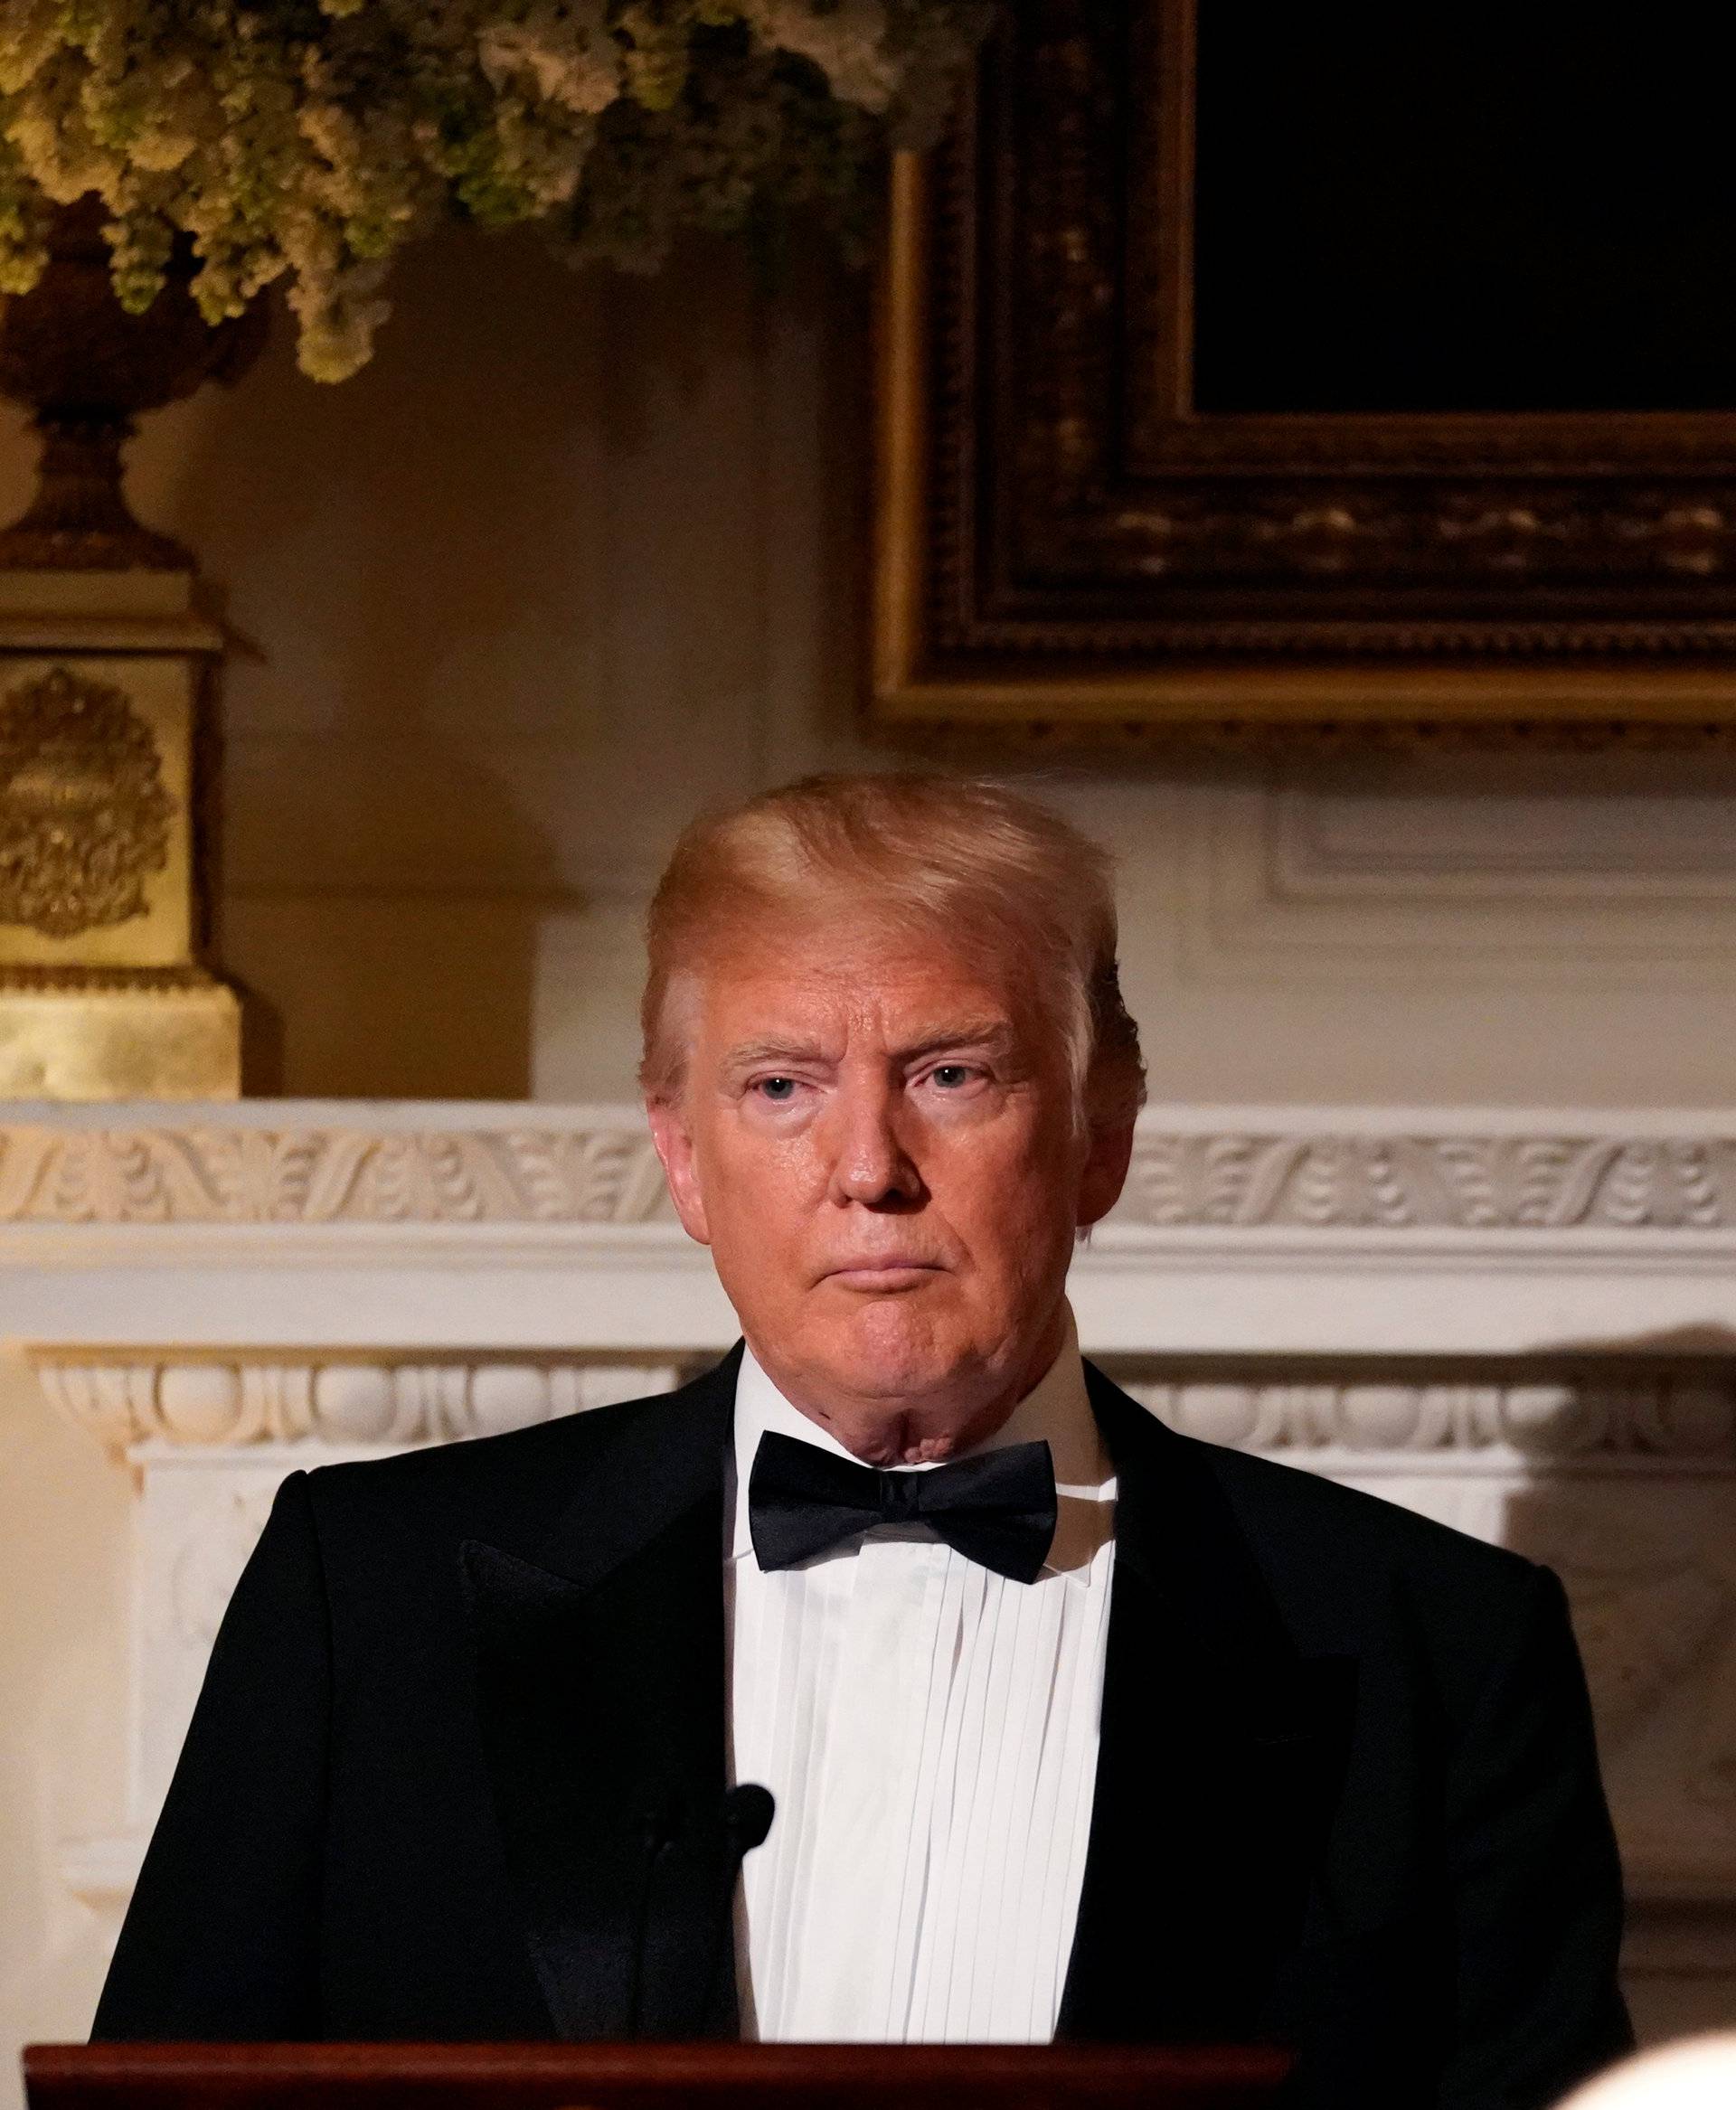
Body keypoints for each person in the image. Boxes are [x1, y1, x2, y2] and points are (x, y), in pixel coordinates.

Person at [92, 774, 1632, 2107]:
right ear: (684, 1158)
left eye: (952, 1074)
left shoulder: (1439, 1649)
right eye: (782, 1087)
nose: (869, 1169)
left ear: (1102, 1134)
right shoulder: (365, 1595)